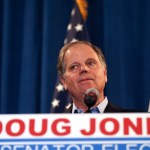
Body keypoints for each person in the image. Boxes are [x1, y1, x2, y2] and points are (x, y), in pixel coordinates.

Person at [57, 41, 136, 113]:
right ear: (64, 81)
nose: (84, 69)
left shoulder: (138, 123)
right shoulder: (50, 127)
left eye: (90, 63)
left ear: (105, 73)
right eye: (74, 66)